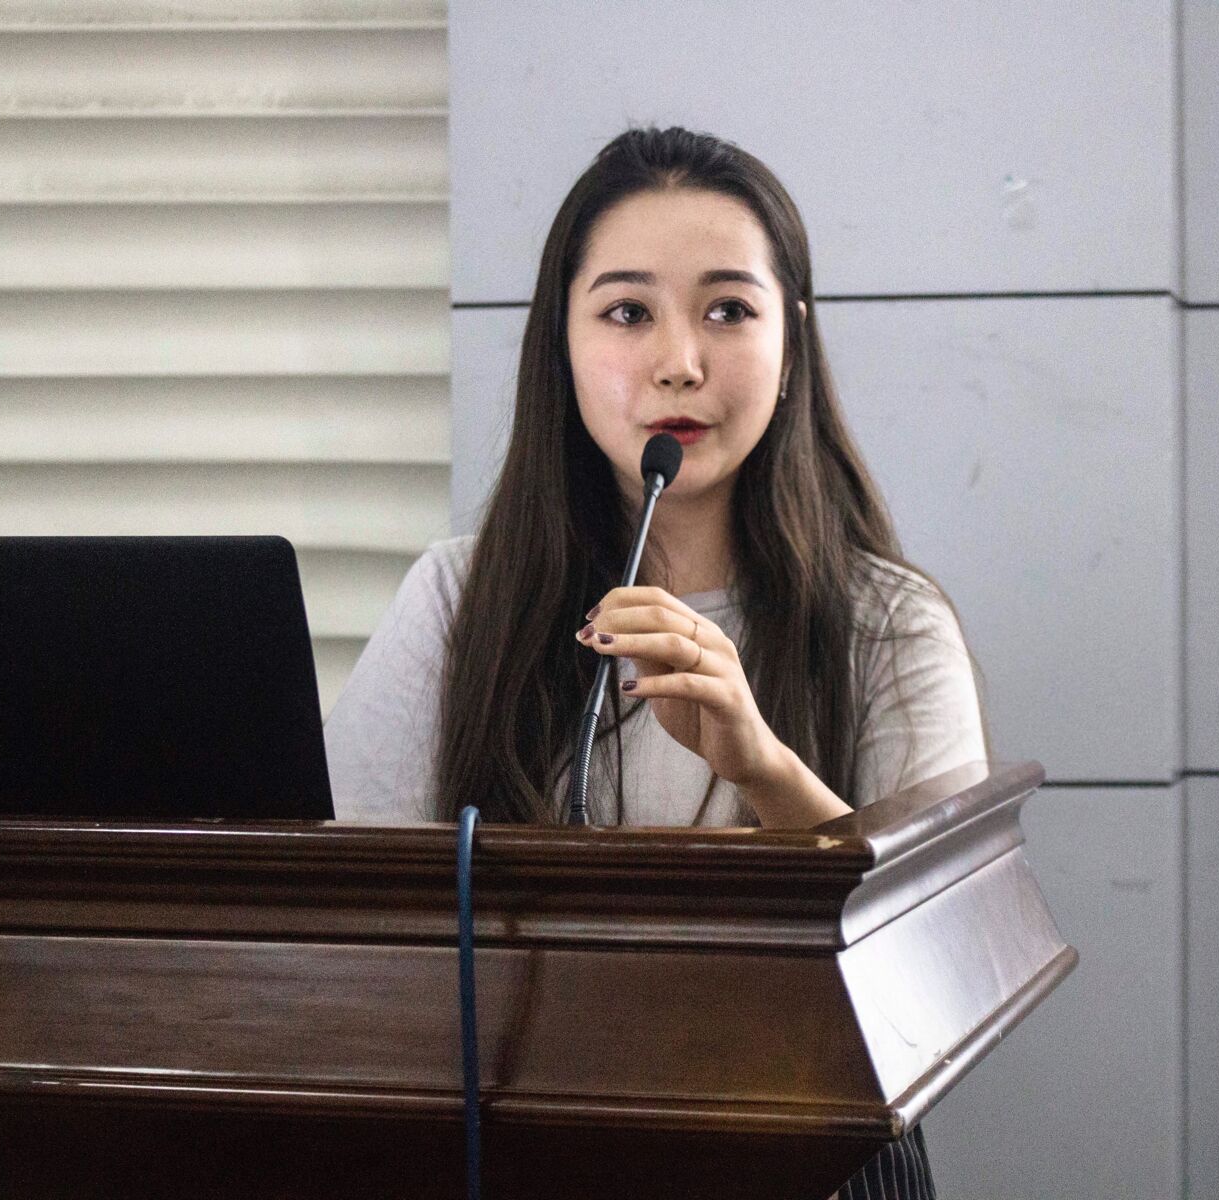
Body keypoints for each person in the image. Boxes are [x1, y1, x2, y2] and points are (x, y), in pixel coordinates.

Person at [324, 125, 988, 1199]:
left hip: (808, 1161)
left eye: (729, 310)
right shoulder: (457, 599)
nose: (681, 360)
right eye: (628, 313)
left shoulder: (890, 624)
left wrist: (764, 766)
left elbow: (943, 981)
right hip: (519, 1149)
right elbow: (346, 935)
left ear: (791, 341)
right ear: (561, 345)